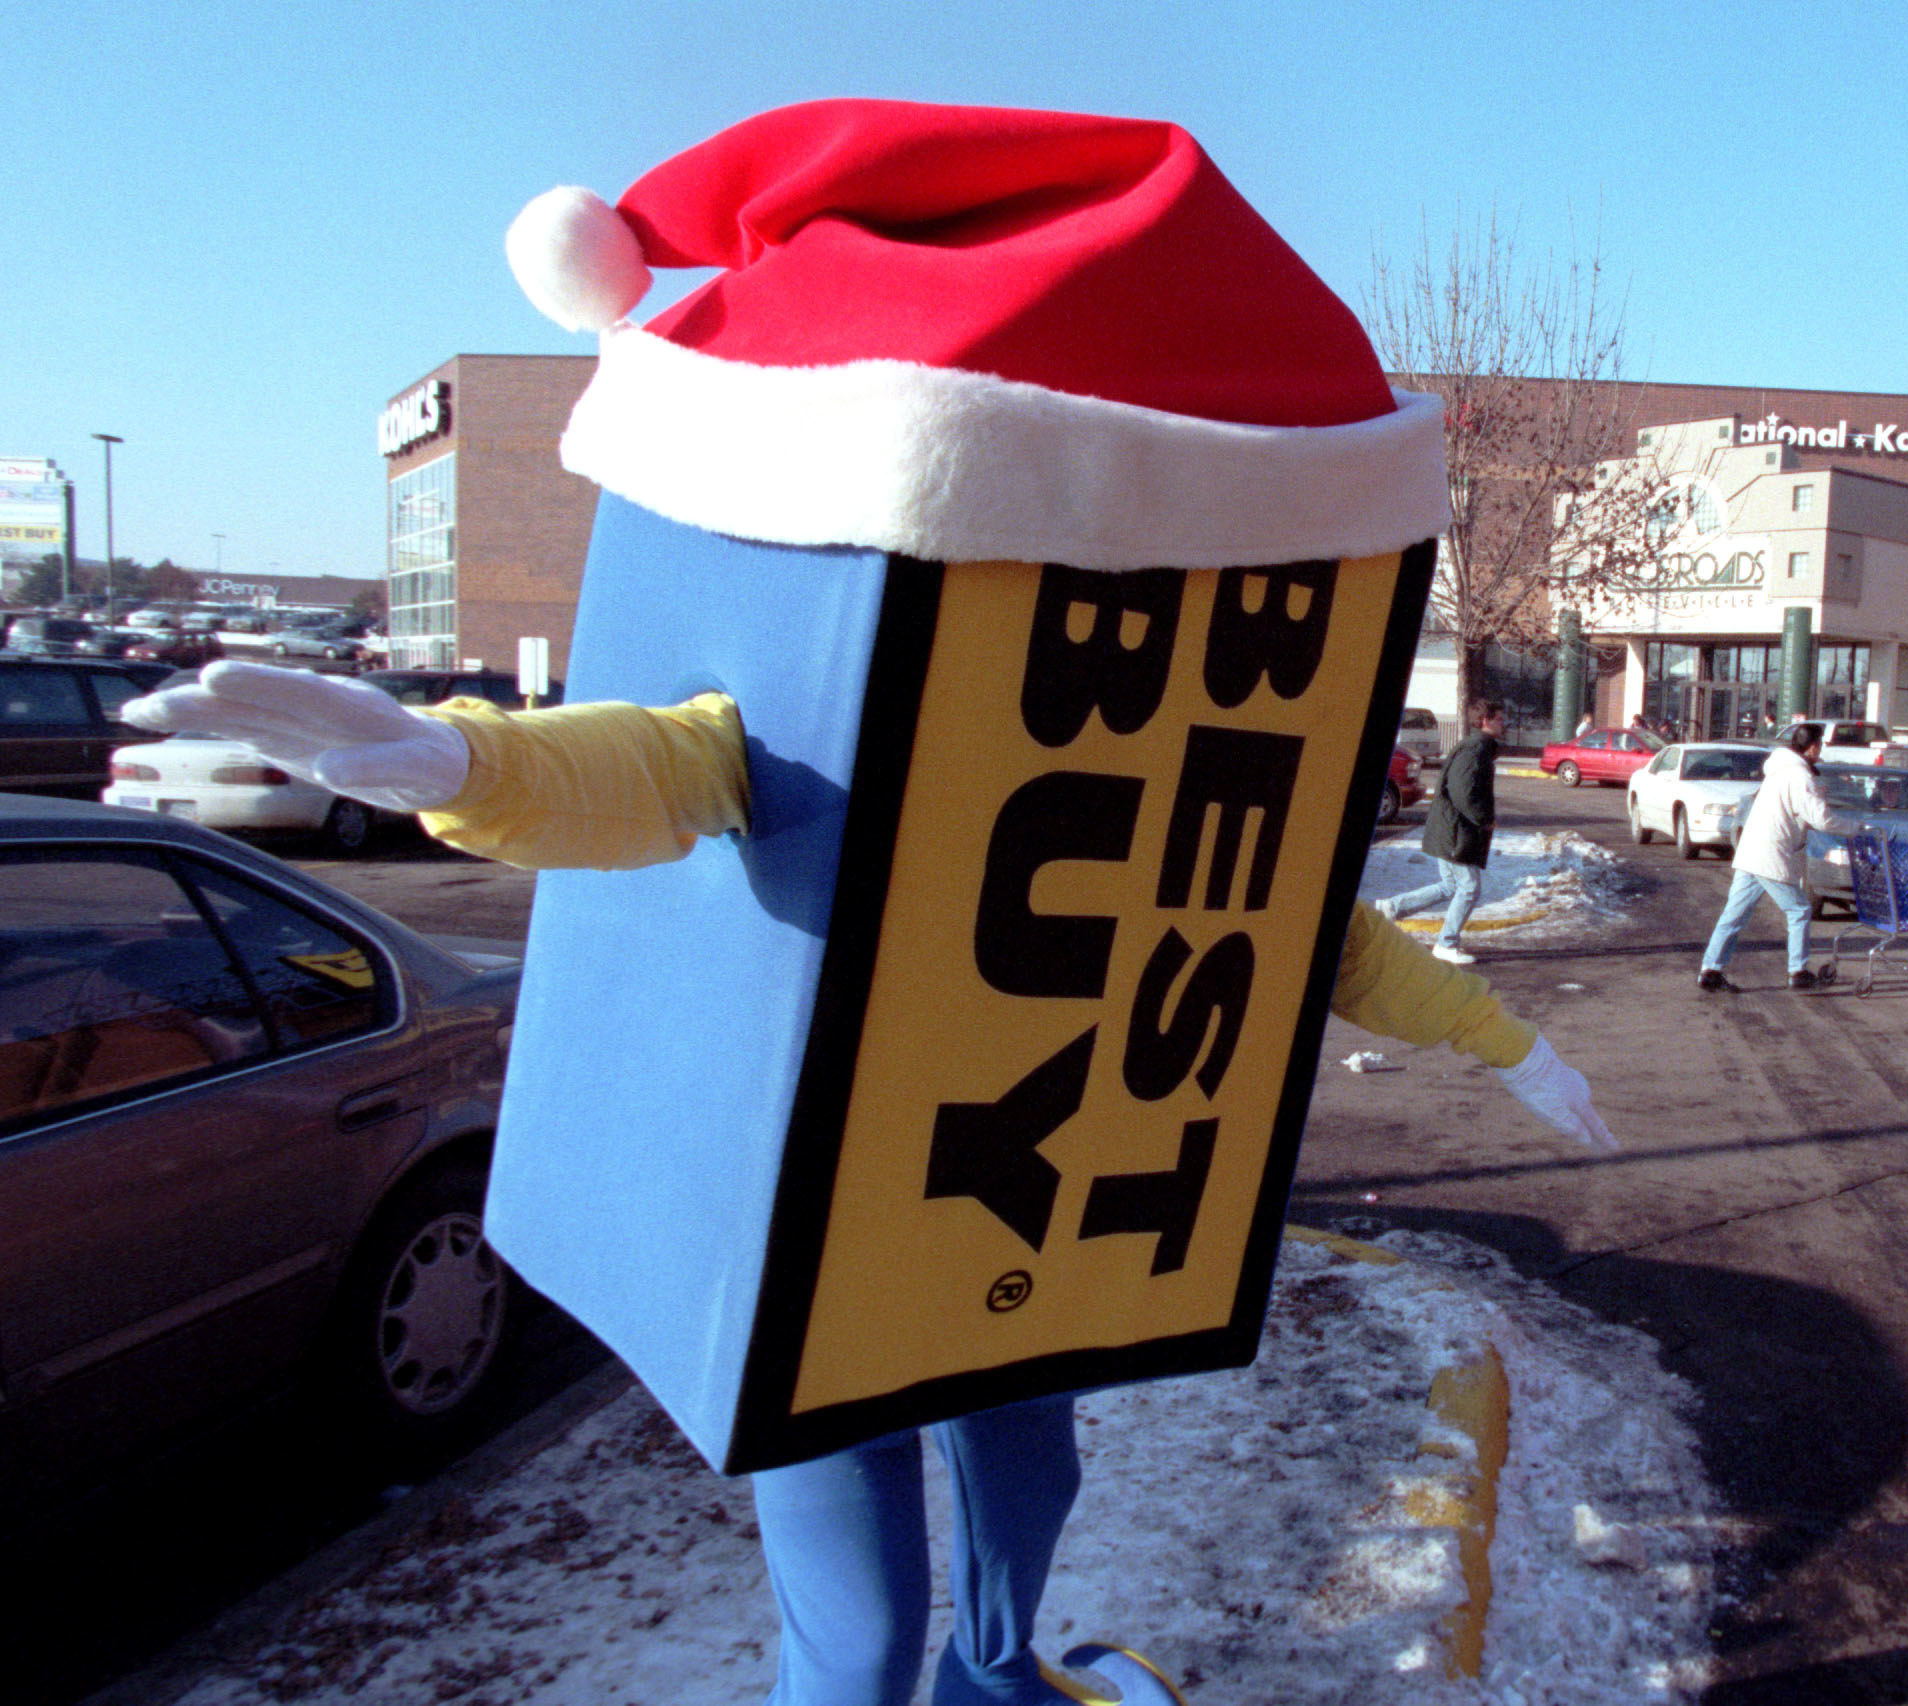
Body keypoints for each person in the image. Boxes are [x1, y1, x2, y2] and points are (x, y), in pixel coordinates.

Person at [127, 103, 1632, 1706]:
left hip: (1004, 1205)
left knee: (1025, 1486)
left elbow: (1292, 932)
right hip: (816, 1216)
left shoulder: (1140, 742)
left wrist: (1496, 1037)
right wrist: (448, 757)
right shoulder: (843, 695)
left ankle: (999, 1682)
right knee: (855, 1622)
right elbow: (652, 765)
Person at [1698, 724, 1839, 991]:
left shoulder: (1778, 771)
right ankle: (1798, 971)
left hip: (1751, 851)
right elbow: (1822, 819)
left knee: (1734, 915)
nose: (1821, 752)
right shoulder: (1799, 776)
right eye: (1820, 745)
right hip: (1771, 856)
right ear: (1812, 747)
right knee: (1799, 910)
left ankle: (1710, 969)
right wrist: (1857, 829)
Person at [1382, 698, 1503, 963]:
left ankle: (1392, 907)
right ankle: (1446, 944)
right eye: (1499, 719)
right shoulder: (1475, 750)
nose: (1502, 723)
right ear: (1485, 720)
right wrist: (1485, 819)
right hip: (1455, 832)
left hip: (1450, 829)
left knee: (1450, 885)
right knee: (1469, 887)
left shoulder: (1477, 747)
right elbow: (1463, 793)